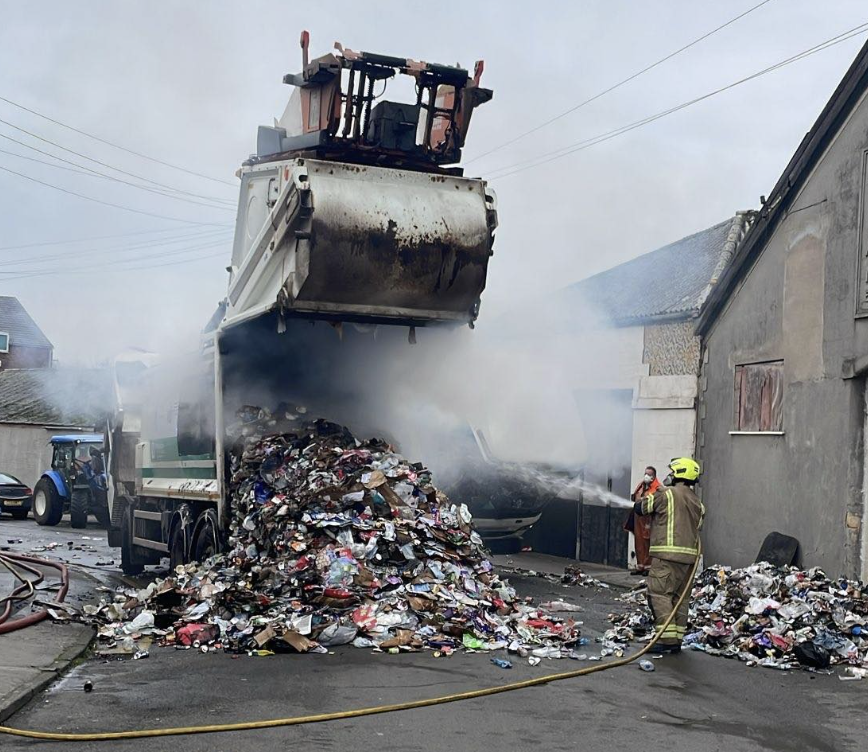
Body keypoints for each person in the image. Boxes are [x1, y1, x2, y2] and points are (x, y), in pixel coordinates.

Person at [633, 457, 704, 654]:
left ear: (679, 474)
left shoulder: (667, 494)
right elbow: (697, 527)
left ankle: (665, 640)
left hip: (666, 556)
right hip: (689, 560)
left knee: (659, 594)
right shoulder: (697, 502)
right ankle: (676, 640)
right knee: (680, 599)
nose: (669, 476)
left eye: (673, 472)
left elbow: (641, 508)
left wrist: (641, 497)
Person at [624, 466, 660, 575]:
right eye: (645, 473)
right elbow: (635, 496)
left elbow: (655, 504)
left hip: (648, 519)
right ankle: (640, 566)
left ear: (653, 476)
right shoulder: (641, 485)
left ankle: (648, 567)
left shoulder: (657, 488)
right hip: (638, 518)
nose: (646, 476)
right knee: (638, 542)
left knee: (647, 542)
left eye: (649, 474)